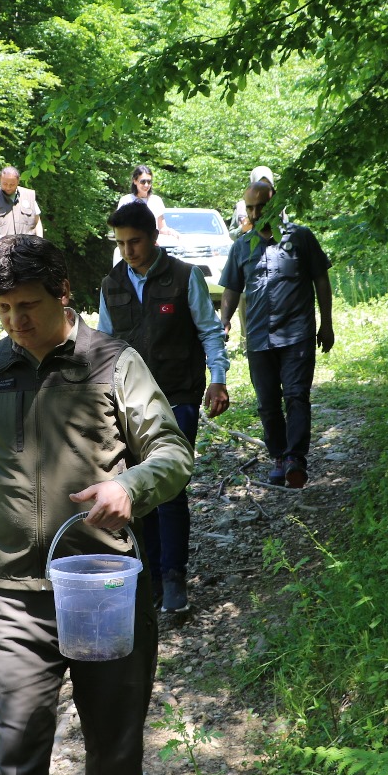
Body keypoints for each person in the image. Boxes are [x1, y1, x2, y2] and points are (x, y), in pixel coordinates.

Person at [0, 235, 193, 775]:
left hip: (104, 589)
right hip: (14, 594)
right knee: (15, 748)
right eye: (2, 308)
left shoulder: (113, 362)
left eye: (27, 305)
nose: (14, 321)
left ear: (63, 294)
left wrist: (129, 486)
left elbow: (172, 452)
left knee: (114, 745)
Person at [98, 200, 229, 614]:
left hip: (178, 396)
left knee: (169, 488)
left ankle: (174, 576)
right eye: (121, 243)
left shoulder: (185, 276)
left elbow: (209, 331)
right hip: (129, 405)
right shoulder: (111, 284)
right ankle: (150, 575)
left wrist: (218, 378)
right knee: (137, 491)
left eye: (135, 241)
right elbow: (104, 346)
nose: (128, 251)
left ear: (154, 237)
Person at [218, 179, 334, 488]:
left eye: (262, 207)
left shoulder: (301, 238)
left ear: (277, 205)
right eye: (250, 208)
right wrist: (225, 320)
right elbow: (232, 288)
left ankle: (296, 458)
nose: (255, 214)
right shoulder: (241, 246)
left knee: (296, 395)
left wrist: (326, 323)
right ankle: (279, 457)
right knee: (267, 403)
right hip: (259, 337)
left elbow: (321, 280)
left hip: (297, 334)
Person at [0, 165, 43, 246]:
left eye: (12, 184)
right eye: (5, 184)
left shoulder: (29, 196)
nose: (8, 187)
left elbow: (37, 222)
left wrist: (40, 243)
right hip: (3, 250)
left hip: (28, 248)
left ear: (18, 181)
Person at [115, 164, 168, 232]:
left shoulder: (156, 200)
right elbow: (119, 227)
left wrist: (171, 232)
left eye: (149, 182)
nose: (146, 185)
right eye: (143, 182)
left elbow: (162, 228)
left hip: (152, 238)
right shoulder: (126, 200)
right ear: (135, 181)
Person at [232, 164, 275, 235]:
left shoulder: (278, 205)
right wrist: (242, 229)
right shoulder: (241, 206)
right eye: (259, 183)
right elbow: (231, 234)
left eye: (267, 184)